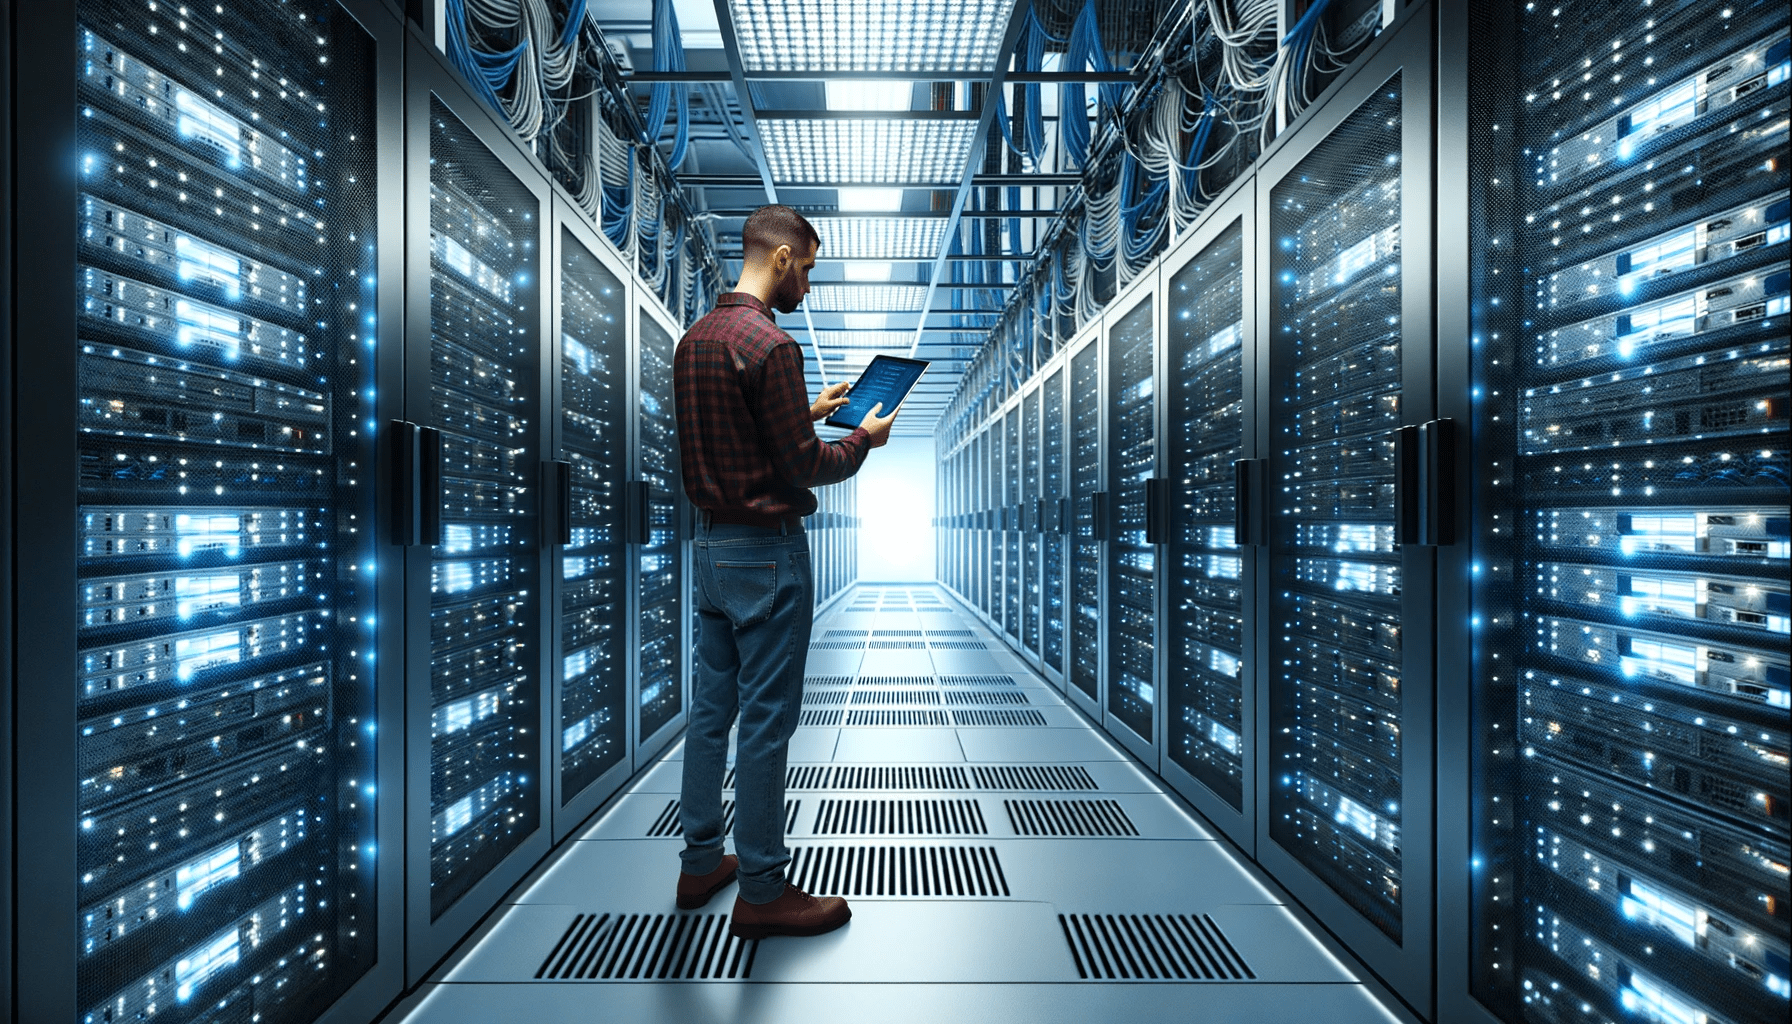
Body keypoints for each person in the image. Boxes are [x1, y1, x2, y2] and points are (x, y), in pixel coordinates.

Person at [671, 204, 898, 939]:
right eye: (808, 268)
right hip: (766, 550)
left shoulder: (695, 341)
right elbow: (804, 465)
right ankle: (764, 891)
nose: (809, 283)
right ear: (779, 260)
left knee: (711, 714)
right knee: (766, 721)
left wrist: (809, 408)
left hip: (708, 549)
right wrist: (861, 439)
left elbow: (748, 434)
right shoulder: (772, 345)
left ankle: (701, 859)